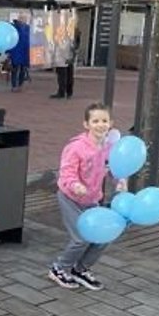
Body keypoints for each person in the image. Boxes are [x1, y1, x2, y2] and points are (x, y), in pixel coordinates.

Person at [48, 103, 127, 291]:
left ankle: (80, 268)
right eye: (95, 121)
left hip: (92, 200)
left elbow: (115, 167)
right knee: (81, 238)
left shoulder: (108, 147)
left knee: (103, 235)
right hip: (70, 198)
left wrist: (121, 180)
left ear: (111, 123)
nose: (100, 125)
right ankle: (59, 268)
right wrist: (75, 185)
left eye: (104, 121)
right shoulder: (76, 147)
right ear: (86, 124)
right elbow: (66, 173)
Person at [51, 27, 78, 99]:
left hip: (63, 53)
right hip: (69, 53)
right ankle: (69, 91)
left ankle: (62, 92)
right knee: (69, 73)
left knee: (62, 73)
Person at [9, 14, 31, 92]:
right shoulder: (14, 28)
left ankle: (20, 85)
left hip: (24, 52)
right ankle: (14, 85)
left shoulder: (28, 28)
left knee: (23, 69)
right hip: (16, 51)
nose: (23, 20)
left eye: (24, 18)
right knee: (15, 69)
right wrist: (9, 51)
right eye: (21, 18)